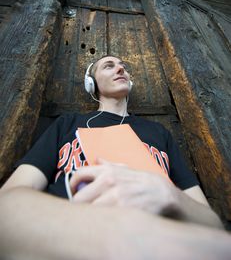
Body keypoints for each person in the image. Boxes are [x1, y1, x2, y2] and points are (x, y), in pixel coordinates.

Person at [0, 55, 230, 260]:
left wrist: (170, 194)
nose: (120, 69)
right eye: (108, 66)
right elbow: (8, 202)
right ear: (92, 84)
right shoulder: (67, 124)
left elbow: (210, 222)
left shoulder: (159, 133)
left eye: (123, 66)